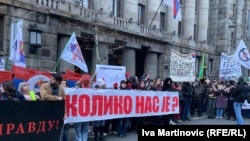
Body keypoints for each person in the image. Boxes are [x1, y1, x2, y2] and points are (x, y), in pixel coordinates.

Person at [39, 73, 67, 140]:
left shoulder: (61, 89)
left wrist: (65, 112)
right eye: (51, 78)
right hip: (45, 111)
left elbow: (64, 100)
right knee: (45, 130)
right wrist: (56, 98)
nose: (51, 80)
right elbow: (44, 96)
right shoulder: (44, 85)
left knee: (57, 130)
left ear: (58, 81)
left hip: (57, 112)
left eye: (53, 79)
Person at [73, 74, 91, 141]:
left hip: (86, 110)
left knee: (85, 127)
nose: (88, 80)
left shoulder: (89, 87)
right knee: (78, 127)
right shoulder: (78, 85)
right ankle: (78, 139)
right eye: (87, 78)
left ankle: (84, 139)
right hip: (78, 110)